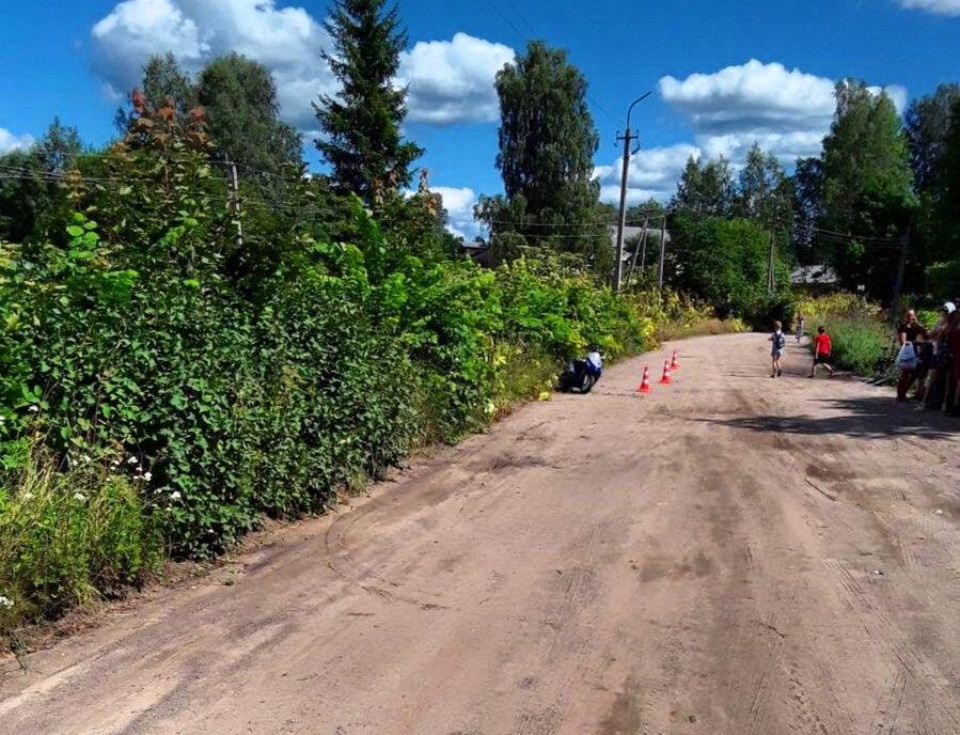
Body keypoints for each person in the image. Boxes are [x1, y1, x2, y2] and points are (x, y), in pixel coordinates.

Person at [896, 308, 929, 402]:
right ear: (905, 316)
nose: (910, 317)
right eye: (908, 315)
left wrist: (919, 325)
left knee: (915, 373)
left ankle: (904, 393)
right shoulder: (903, 327)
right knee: (905, 374)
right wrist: (916, 342)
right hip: (906, 352)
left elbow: (926, 335)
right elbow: (903, 342)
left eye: (912, 315)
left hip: (914, 353)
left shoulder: (916, 327)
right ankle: (900, 395)